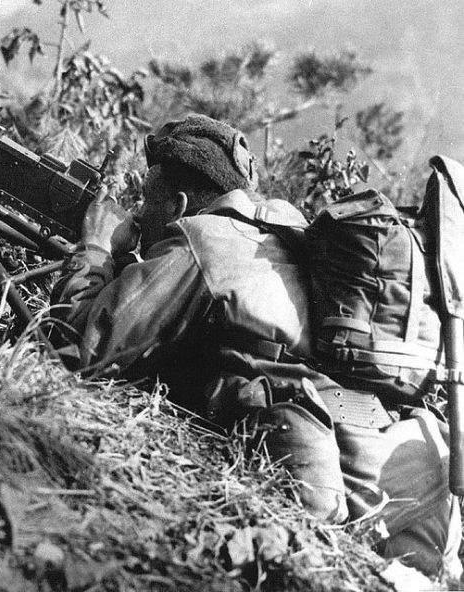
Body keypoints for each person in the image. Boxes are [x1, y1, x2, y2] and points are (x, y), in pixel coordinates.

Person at [49, 114, 463, 581]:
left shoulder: (200, 240)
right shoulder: (290, 226)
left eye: (146, 203)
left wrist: (96, 249)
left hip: (334, 483)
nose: (140, 215)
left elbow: (81, 351)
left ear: (181, 203)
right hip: (415, 466)